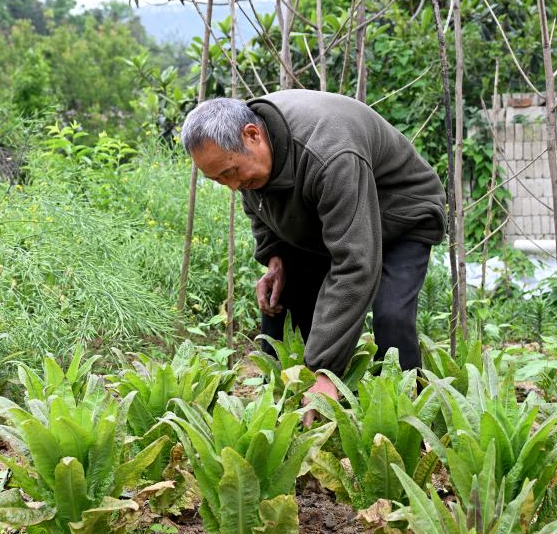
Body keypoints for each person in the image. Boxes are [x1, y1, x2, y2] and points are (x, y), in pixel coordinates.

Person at [180, 90, 446, 415]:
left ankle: (409, 417)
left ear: (252, 135)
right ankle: (282, 407)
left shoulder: (329, 153)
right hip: (331, 219)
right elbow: (261, 204)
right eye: (218, 179)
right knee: (281, 301)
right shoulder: (250, 152)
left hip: (402, 213)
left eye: (230, 172)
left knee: (391, 316)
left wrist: (325, 369)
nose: (232, 186)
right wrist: (275, 257)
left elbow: (354, 264)